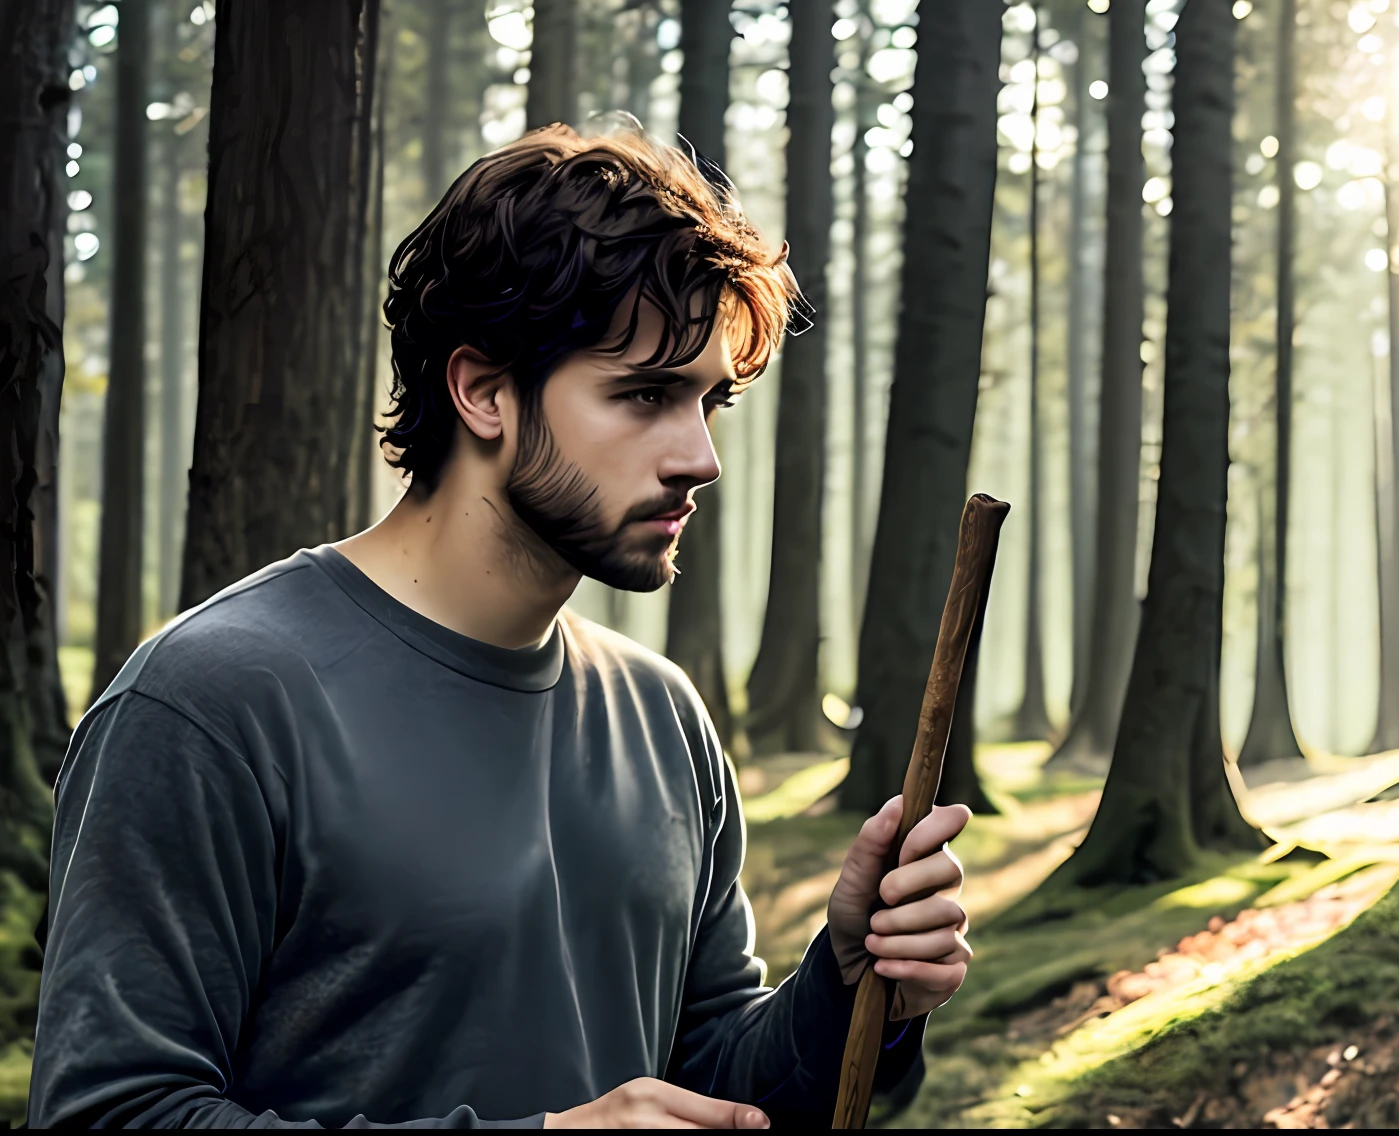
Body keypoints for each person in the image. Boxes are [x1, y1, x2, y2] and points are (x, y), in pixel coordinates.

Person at [27, 124, 973, 1129]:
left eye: (709, 402)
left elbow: (715, 1084)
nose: (700, 456)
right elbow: (108, 1110)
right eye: (644, 394)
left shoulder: (664, 718)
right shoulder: (213, 702)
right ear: (481, 389)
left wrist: (849, 983)